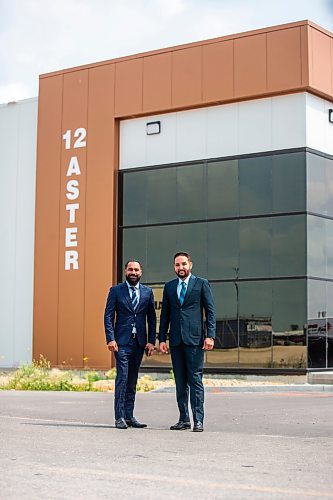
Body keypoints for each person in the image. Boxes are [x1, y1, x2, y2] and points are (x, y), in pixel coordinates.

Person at [159, 252, 216, 432]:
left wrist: (210, 336)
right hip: (176, 341)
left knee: (195, 380)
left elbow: (210, 311)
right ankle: (184, 419)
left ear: (190, 265)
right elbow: (165, 315)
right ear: (174, 267)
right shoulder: (169, 287)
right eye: (177, 265)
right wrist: (162, 339)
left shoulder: (201, 284)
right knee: (180, 381)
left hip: (195, 341)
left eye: (183, 264)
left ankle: (198, 420)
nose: (180, 268)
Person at [104, 260, 156, 429]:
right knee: (123, 378)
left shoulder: (147, 292)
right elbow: (108, 316)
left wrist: (151, 341)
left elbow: (152, 318)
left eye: (136, 270)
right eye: (130, 269)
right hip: (121, 343)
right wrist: (110, 339)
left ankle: (129, 416)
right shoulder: (116, 291)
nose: (133, 272)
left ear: (141, 272)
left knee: (132, 380)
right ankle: (119, 417)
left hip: (139, 343)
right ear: (125, 271)